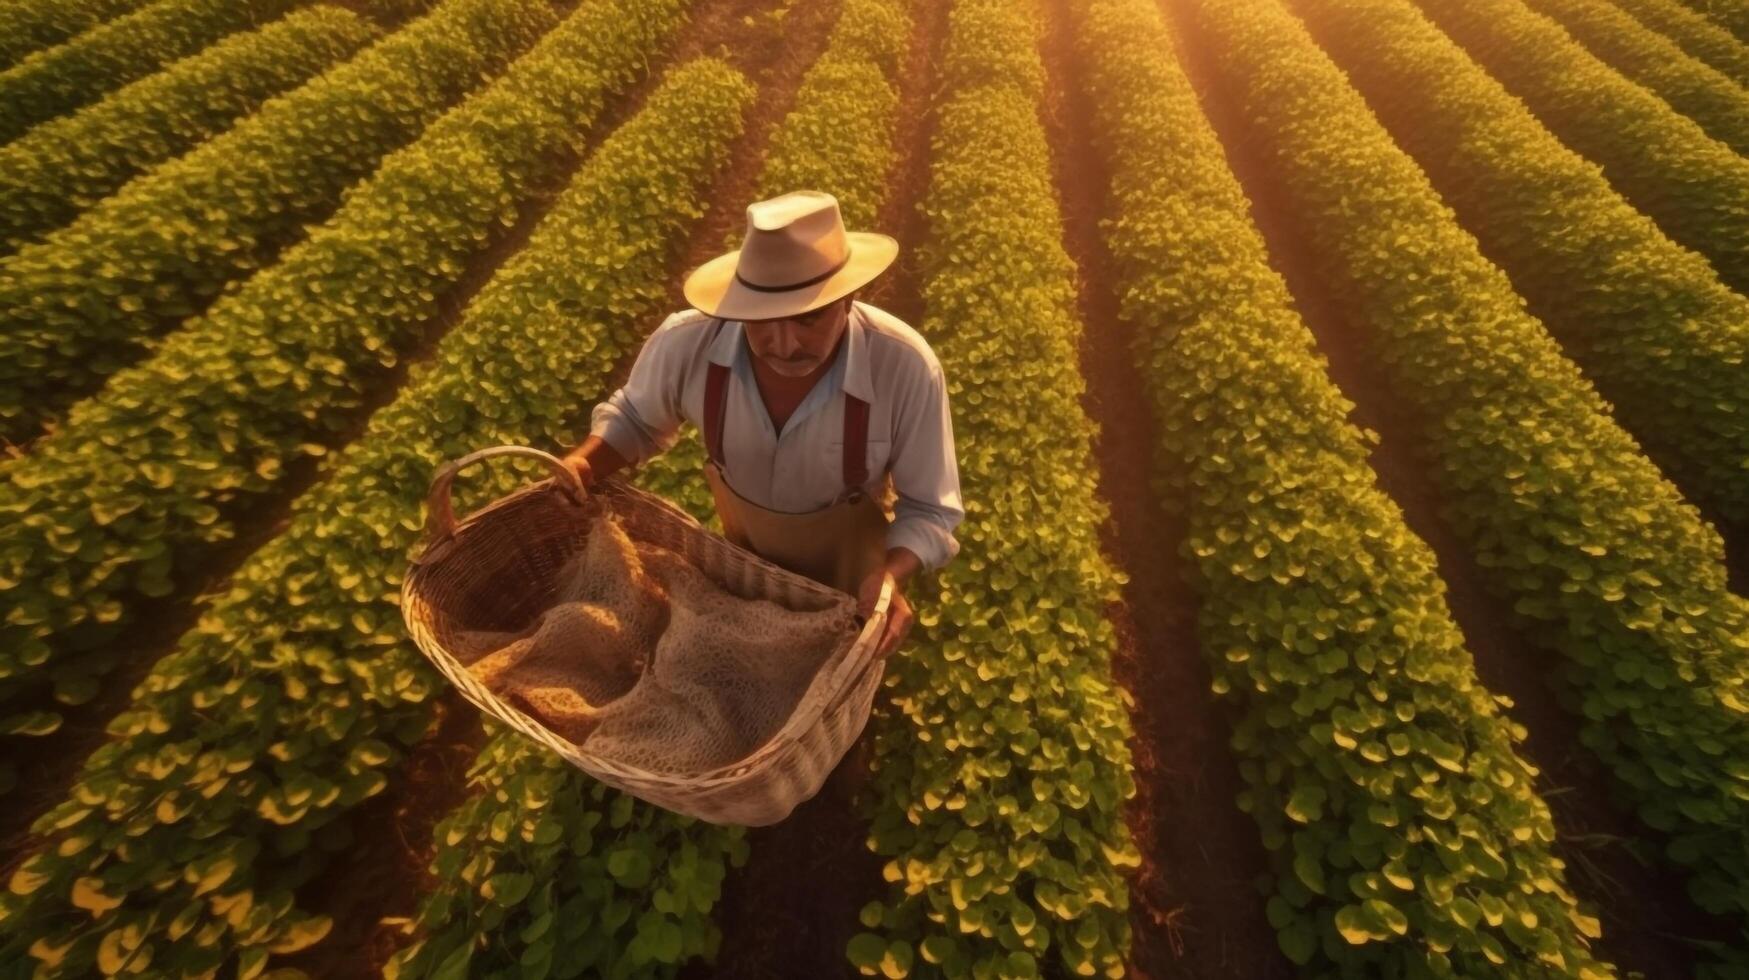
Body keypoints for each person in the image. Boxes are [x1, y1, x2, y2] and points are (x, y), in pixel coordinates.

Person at [561, 190, 965, 801]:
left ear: (849, 299)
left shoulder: (903, 367)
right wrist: (583, 465)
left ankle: (830, 761)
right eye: (762, 322)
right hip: (742, 558)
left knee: (829, 707)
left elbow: (929, 507)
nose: (783, 343)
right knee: (748, 682)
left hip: (848, 578)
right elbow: (636, 421)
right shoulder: (689, 345)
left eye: (808, 319)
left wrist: (891, 577)